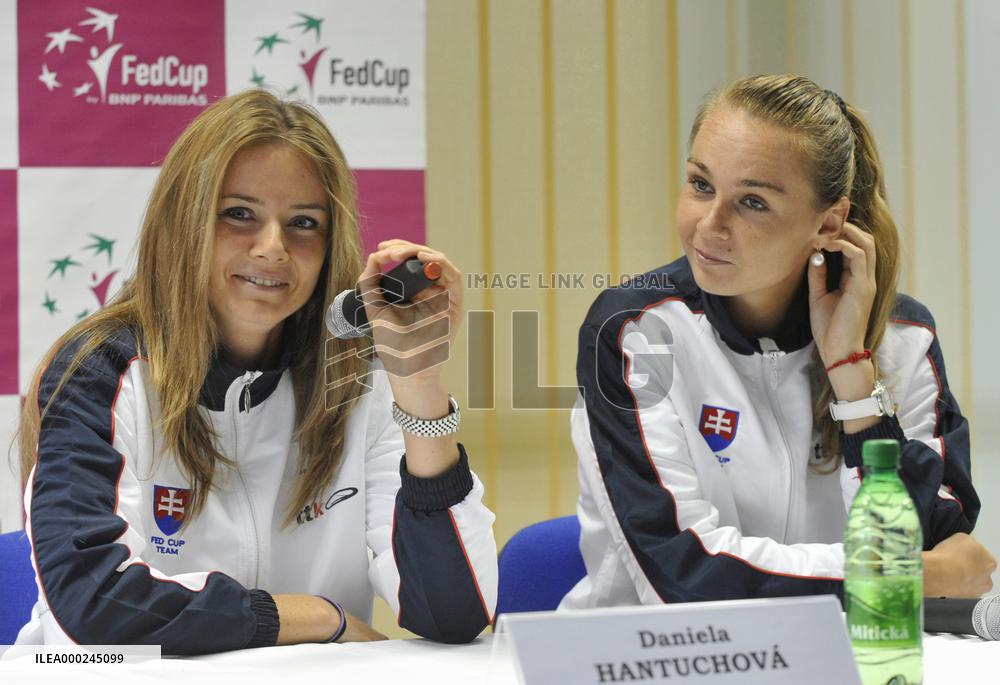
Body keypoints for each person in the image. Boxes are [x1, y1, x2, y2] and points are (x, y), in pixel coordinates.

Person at [15, 89, 497, 654]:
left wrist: (419, 390)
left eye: (303, 223)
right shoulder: (99, 370)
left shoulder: (360, 379)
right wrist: (311, 617)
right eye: (238, 214)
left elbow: (454, 614)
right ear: (184, 222)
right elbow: (92, 608)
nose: (272, 248)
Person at [561, 74, 995, 610]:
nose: (709, 225)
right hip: (652, 660)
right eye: (701, 184)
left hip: (844, 661)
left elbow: (935, 550)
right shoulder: (634, 331)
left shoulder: (904, 339)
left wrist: (853, 375)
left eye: (753, 202)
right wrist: (893, 578)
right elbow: (684, 575)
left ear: (828, 222)